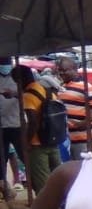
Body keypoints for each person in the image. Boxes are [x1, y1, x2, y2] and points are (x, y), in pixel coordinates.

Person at [15, 64, 63, 199]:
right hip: (53, 139)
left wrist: (26, 141)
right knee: (57, 176)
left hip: (37, 144)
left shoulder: (28, 96)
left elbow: (33, 121)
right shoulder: (47, 89)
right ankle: (61, 204)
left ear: (21, 80)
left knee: (42, 181)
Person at [56, 55, 92, 161]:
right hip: (66, 140)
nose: (61, 73)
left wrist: (82, 124)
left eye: (64, 70)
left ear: (74, 69)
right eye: (59, 71)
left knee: (84, 170)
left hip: (83, 140)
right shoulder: (61, 87)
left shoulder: (87, 87)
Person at [0, 58, 21, 198]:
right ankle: (5, 192)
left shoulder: (18, 76)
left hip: (17, 124)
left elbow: (28, 93)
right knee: (1, 160)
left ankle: (23, 182)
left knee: (25, 157)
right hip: (1, 125)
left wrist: (14, 94)